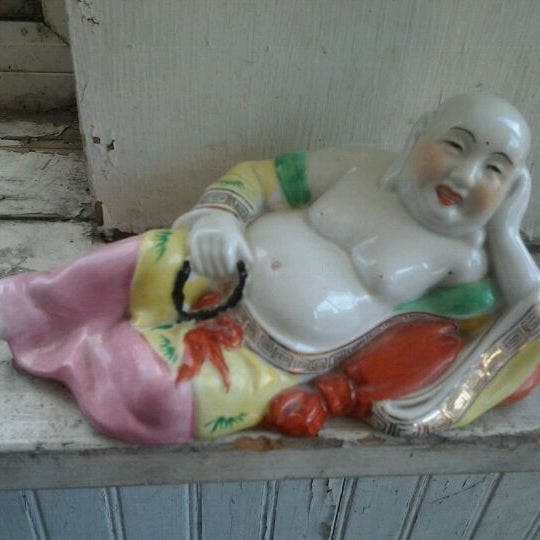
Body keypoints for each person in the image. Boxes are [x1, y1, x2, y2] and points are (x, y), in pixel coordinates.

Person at [1, 93, 539, 445]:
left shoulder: (465, 261)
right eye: (454, 145)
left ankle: (100, 352)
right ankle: (29, 312)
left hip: (268, 356)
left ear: (513, 187)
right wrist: (219, 217)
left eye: (495, 170)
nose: (465, 176)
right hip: (216, 268)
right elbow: (261, 179)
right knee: (134, 259)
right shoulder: (360, 166)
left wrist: (506, 231)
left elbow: (525, 312)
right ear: (419, 134)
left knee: (155, 397)